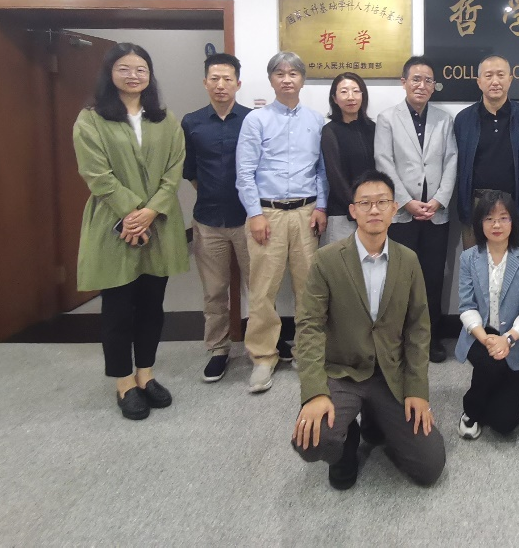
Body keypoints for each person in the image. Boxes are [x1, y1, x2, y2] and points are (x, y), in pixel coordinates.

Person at [292, 169, 446, 490]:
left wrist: (418, 390)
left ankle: (376, 420)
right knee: (312, 442)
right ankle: (348, 439)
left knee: (429, 467)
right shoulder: (326, 260)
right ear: (353, 210)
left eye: (382, 202)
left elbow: (419, 329)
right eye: (365, 203)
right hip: (343, 372)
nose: (374, 209)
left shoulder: (409, 261)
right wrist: (315, 392)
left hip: (390, 374)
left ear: (394, 208)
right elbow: (309, 328)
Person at [73, 43, 189, 420]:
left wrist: (150, 212)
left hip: (158, 223)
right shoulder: (91, 120)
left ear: (150, 75)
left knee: (152, 306)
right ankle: (124, 382)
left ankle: (146, 375)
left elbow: (174, 170)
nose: (133, 75)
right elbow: (96, 174)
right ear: (110, 74)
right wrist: (132, 213)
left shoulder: (165, 119)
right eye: (124, 68)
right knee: (118, 308)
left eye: (141, 69)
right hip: (113, 225)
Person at [236, 52, 328, 394]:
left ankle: (307, 351)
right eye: (280, 73)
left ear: (302, 79)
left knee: (309, 288)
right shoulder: (256, 120)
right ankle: (263, 356)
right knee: (263, 289)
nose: (287, 79)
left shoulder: (317, 120)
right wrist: (254, 214)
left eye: (293, 73)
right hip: (267, 215)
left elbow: (321, 170)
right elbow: (244, 173)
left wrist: (321, 206)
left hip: (306, 213)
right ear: (271, 79)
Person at [375, 56, 458, 364]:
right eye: (416, 79)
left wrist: (439, 199)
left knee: (433, 278)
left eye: (428, 80)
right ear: (404, 82)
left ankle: (431, 338)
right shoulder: (387, 118)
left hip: (436, 213)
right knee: (400, 279)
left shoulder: (444, 119)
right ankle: (400, 340)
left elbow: (451, 160)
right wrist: (406, 200)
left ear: (434, 86)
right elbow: (383, 161)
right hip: (401, 214)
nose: (422, 85)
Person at [181, 53, 252, 383]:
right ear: (205, 82)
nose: (221, 85)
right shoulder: (191, 122)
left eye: (227, 79)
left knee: (259, 287)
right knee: (214, 291)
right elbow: (190, 171)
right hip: (208, 220)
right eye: (215, 78)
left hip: (249, 219)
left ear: (238, 83)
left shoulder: (252, 120)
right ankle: (219, 349)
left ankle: (262, 345)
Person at [454, 190, 519, 439]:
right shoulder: (469, 258)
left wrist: (508, 339)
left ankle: (497, 389)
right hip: (480, 334)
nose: (496, 225)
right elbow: (467, 306)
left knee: (505, 423)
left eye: (503, 218)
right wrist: (485, 339)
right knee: (490, 365)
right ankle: (471, 409)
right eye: (489, 219)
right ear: (480, 223)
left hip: (515, 338)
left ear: (513, 222)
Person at [453, 55, 519, 249]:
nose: (495, 81)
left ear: (510, 79)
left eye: (500, 75)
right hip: (476, 204)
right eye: (488, 75)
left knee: (514, 263)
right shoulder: (464, 119)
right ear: (479, 82)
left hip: (513, 204)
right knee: (475, 262)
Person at [320, 71, 376, 246]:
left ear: (363, 96)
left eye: (356, 91)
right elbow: (335, 176)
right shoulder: (330, 131)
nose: (351, 97)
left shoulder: (373, 128)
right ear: (335, 99)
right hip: (343, 213)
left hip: (373, 212)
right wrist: (357, 206)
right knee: (342, 261)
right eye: (344, 92)